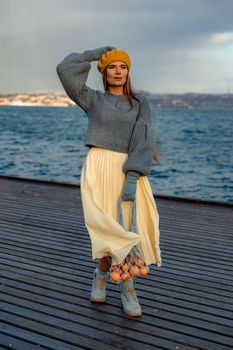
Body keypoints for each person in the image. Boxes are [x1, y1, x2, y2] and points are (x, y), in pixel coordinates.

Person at [56, 46, 162, 317]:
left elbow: (144, 139)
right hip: (98, 166)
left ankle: (128, 287)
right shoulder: (92, 99)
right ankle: (102, 275)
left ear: (128, 72)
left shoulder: (140, 104)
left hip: (128, 169)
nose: (118, 71)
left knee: (127, 225)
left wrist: (133, 175)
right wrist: (93, 55)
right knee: (106, 229)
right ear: (104, 72)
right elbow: (65, 70)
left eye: (123, 66)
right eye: (112, 66)